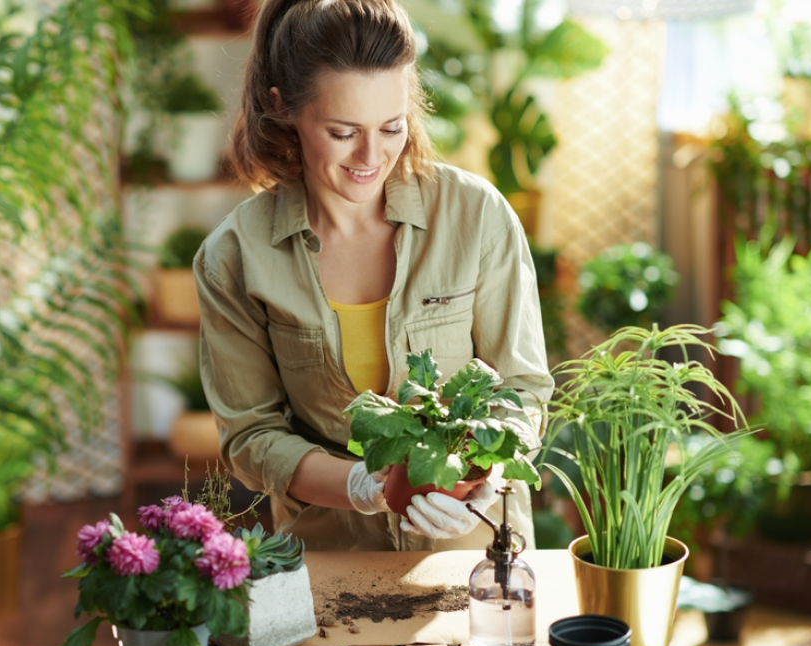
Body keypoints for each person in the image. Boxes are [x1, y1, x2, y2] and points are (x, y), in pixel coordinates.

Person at [194, 0, 553, 553]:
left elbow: (523, 388)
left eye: (391, 127)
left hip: (478, 557)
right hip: (334, 559)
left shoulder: (475, 216)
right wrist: (362, 487)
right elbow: (251, 437)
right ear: (283, 107)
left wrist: (488, 476)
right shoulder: (236, 256)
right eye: (342, 132)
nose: (371, 155)